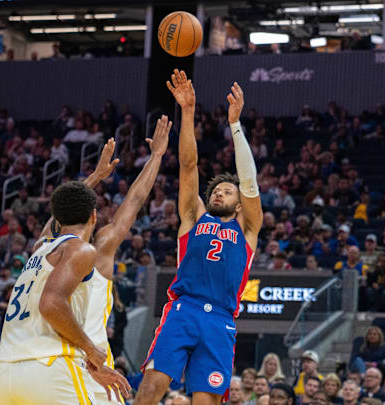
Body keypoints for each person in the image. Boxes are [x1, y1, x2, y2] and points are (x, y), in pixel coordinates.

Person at [135, 71, 262, 405]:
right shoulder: (194, 217)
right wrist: (187, 111)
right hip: (184, 308)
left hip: (221, 319)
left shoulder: (248, 229)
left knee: (205, 401)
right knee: (151, 387)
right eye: (217, 190)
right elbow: (188, 166)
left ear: (239, 205)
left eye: (226, 191)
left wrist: (235, 126)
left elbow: (249, 181)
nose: (219, 194)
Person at [38, 119, 171, 404]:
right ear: (95, 217)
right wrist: (157, 156)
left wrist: (95, 178)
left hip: (44, 362)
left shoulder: (44, 249)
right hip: (89, 363)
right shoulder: (99, 252)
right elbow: (134, 201)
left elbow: (61, 213)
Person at [0, 181, 129, 405]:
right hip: (50, 367)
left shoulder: (39, 251)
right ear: (94, 216)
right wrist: (90, 350)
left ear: (57, 219)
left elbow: (55, 219)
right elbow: (50, 304)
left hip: (8, 374)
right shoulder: (80, 249)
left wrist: (94, 176)